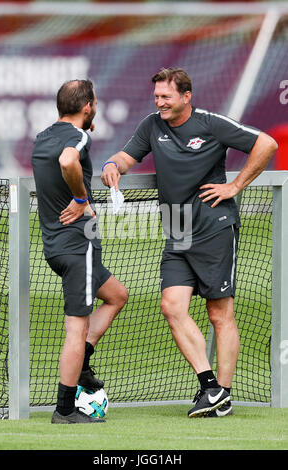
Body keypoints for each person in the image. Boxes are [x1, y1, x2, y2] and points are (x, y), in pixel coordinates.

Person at [101, 67, 278, 418]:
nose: (160, 103)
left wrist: (235, 186)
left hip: (214, 228)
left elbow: (267, 144)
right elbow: (126, 156)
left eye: (166, 97)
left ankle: (223, 394)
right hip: (177, 233)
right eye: (156, 97)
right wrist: (112, 163)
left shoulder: (211, 123)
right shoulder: (152, 125)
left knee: (219, 312)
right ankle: (210, 387)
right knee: (171, 306)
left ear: (186, 96)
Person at [32, 79, 128, 424]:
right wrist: (81, 200)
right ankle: (65, 410)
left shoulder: (42, 136)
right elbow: (69, 161)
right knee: (75, 329)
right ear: (87, 107)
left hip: (56, 247)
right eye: (95, 104)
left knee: (117, 295)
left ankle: (84, 362)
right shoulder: (79, 136)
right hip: (77, 247)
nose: (96, 109)